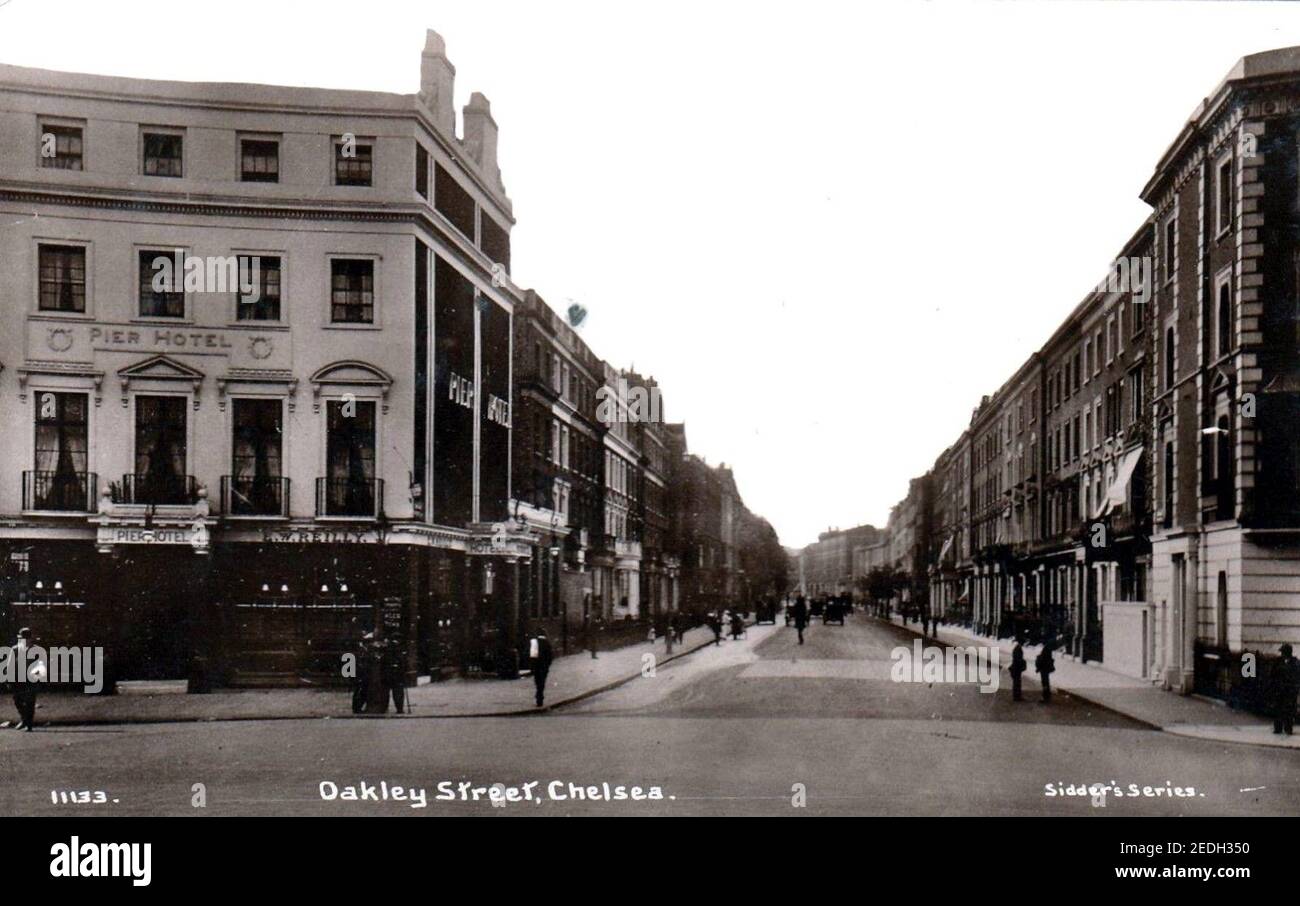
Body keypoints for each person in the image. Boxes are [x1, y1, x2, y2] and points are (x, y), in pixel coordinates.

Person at [12, 628, 44, 731]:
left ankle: (28, 724)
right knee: (17, 700)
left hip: (31, 679)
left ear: (30, 639)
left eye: (26, 639)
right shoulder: (15, 649)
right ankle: (24, 720)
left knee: (30, 702)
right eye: (21, 639)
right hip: (18, 679)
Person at [1273, 643, 1299, 735]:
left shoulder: (1295, 663)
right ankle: (1278, 728)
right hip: (1279, 690)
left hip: (1290, 691)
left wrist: (1295, 689)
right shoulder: (1278, 662)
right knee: (1278, 709)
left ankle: (1288, 728)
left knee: (1289, 710)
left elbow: (1297, 677)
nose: (1282, 654)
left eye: (1283, 652)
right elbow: (1273, 676)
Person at [380, 637, 406, 714]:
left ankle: (384, 708)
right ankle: (399, 709)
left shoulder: (386, 654)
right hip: (395, 676)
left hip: (388, 676)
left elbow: (382, 665)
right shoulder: (398, 654)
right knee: (397, 693)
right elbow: (403, 666)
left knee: (386, 693)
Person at [530, 629, 554, 708]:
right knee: (542, 681)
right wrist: (548, 664)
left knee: (537, 680)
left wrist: (532, 666)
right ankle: (540, 696)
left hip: (536, 665)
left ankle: (538, 694)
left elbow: (532, 655)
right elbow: (550, 656)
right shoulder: (547, 643)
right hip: (544, 666)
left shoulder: (534, 642)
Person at [351, 632, 374, 714]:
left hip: (363, 674)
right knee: (360, 691)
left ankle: (358, 707)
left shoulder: (364, 650)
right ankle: (357, 708)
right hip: (360, 674)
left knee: (362, 691)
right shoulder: (361, 651)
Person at [1035, 640, 1056, 704]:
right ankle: (1047, 696)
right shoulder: (1048, 649)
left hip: (1044, 669)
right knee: (1045, 683)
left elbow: (1043, 659)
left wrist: (1039, 666)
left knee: (1045, 683)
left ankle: (1046, 697)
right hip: (1045, 669)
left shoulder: (1046, 649)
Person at [1009, 636, 1027, 702]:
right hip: (1016, 667)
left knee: (1017, 682)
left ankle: (1017, 696)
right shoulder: (1018, 649)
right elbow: (1017, 659)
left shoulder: (1017, 648)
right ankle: (1017, 696)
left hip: (1016, 667)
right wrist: (1022, 662)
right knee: (1017, 682)